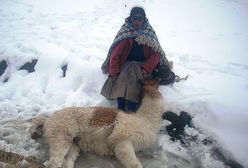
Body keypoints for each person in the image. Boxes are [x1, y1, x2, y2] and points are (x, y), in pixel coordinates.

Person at [101, 6, 171, 112]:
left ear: (144, 19)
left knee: (136, 83)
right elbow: (115, 55)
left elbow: (155, 55)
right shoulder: (125, 32)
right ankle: (120, 109)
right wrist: (114, 71)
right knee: (121, 81)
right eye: (134, 19)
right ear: (130, 19)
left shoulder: (149, 33)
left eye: (140, 19)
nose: (137, 22)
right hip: (125, 64)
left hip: (142, 65)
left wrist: (146, 69)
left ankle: (132, 110)